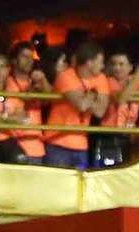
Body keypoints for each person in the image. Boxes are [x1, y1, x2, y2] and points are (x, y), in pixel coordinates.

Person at [45, 39, 109, 170]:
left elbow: (100, 111)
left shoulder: (101, 78)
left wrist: (85, 97)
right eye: (100, 62)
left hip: (81, 145)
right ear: (89, 63)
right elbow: (81, 106)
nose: (103, 66)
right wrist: (92, 94)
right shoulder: (66, 76)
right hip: (57, 143)